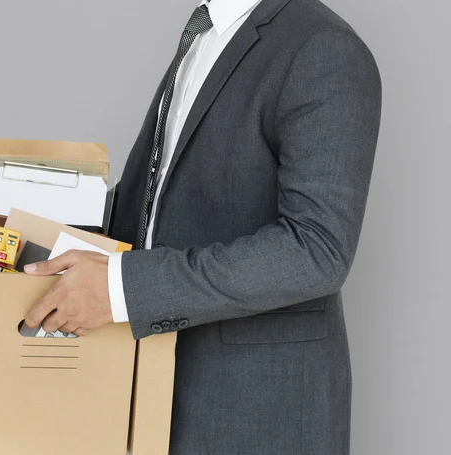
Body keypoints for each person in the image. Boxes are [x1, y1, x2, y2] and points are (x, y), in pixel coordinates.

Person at [23, 0, 382, 453]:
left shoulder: (323, 48)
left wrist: (120, 290)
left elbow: (317, 251)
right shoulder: (203, 32)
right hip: (156, 384)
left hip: (257, 413)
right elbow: (158, 206)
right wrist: (21, 216)